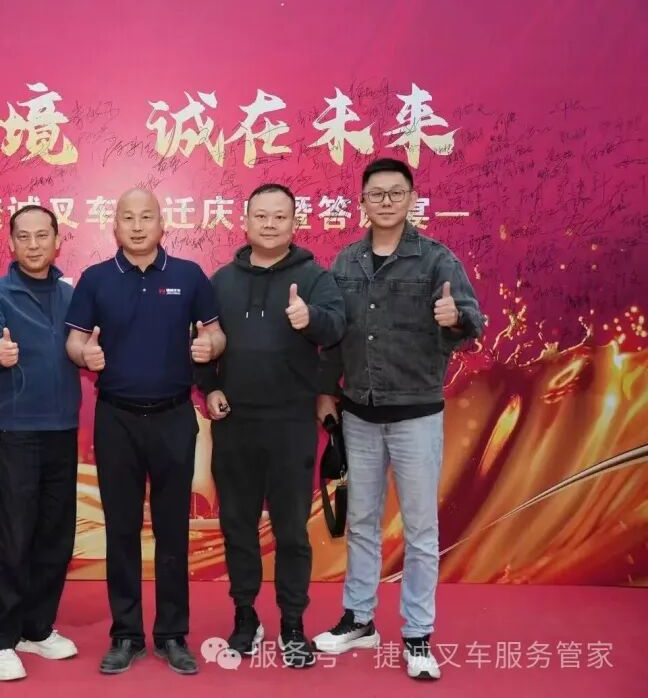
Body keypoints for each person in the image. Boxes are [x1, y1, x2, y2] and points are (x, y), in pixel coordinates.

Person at [312, 158, 483, 681]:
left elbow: (473, 322)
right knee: (362, 521)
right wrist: (326, 394)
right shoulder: (345, 261)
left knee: (420, 528)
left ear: (411, 199)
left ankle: (418, 635)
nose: (385, 202)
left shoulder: (436, 259)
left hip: (415, 416)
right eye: (376, 194)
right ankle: (359, 619)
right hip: (358, 414)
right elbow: (333, 336)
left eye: (395, 193)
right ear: (362, 202)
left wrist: (455, 319)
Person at [64, 188, 225, 676]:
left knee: (174, 529)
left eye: (146, 217)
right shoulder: (95, 279)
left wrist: (211, 347)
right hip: (117, 419)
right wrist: (84, 355)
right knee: (121, 528)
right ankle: (127, 634)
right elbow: (74, 340)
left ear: (162, 224)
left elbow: (215, 333)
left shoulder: (188, 275)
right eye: (128, 218)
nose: (137, 226)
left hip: (175, 417)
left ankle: (173, 634)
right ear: (114, 225)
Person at [196, 183, 346, 668]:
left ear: (294, 223)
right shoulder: (220, 280)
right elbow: (201, 342)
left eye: (279, 216)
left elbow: (336, 329)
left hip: (290, 424)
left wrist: (310, 317)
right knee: (237, 526)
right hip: (234, 422)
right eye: (260, 216)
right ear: (244, 221)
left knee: (291, 531)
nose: (269, 224)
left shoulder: (316, 277)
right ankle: (245, 616)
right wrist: (209, 387)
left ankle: (293, 624)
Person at [0, 204, 82, 681]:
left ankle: (36, 628)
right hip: (16, 430)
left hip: (63, 429)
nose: (34, 245)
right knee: (12, 536)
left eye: (42, 236)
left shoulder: (72, 295)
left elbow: (87, 343)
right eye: (24, 236)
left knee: (55, 536)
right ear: (11, 243)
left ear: (57, 240)